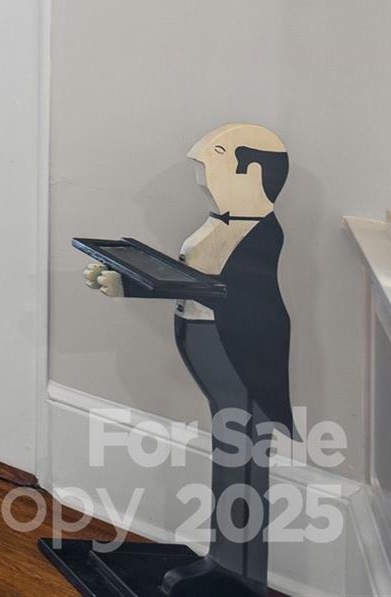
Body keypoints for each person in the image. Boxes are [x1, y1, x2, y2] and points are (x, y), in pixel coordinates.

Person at [81, 123, 293, 597]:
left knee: (241, 458)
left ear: (251, 169)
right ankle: (224, 559)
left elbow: (231, 292)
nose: (202, 174)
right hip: (214, 356)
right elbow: (195, 278)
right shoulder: (226, 224)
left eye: (212, 159)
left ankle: (235, 570)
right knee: (232, 453)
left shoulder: (258, 234)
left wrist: (149, 281)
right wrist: (129, 282)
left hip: (237, 357)